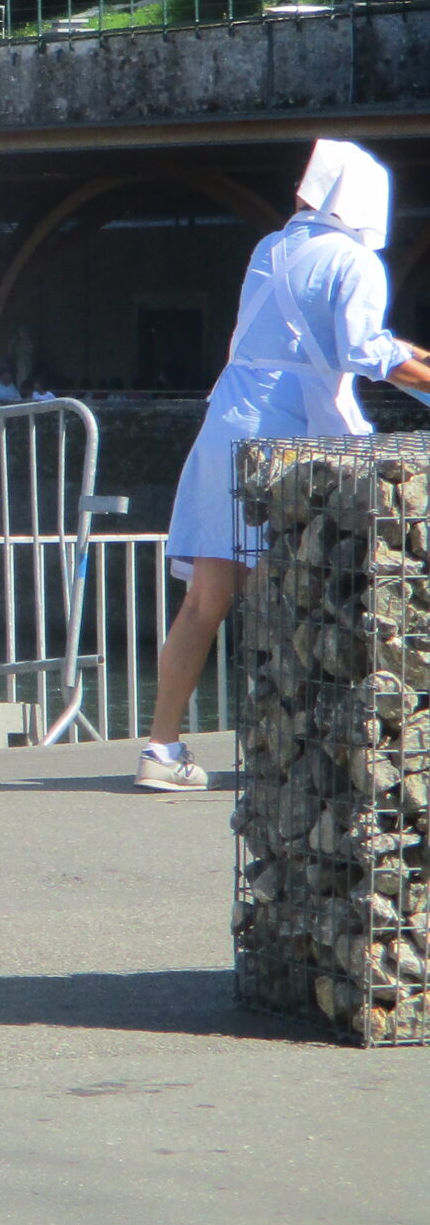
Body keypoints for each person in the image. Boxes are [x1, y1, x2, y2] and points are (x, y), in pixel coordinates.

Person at [143, 140, 430, 791]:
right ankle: (293, 750)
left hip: (225, 425)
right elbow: (364, 350)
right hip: (291, 444)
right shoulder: (354, 259)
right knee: (292, 594)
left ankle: (160, 748)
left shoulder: (269, 249)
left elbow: (318, 339)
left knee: (204, 601)